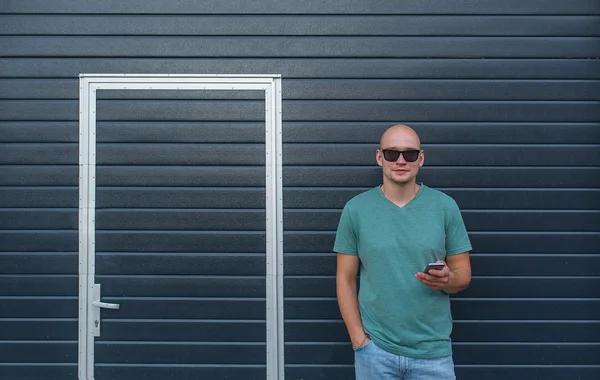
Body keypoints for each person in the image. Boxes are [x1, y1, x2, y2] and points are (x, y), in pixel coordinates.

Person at [334, 124, 472, 379]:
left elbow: (463, 274)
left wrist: (447, 280)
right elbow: (344, 278)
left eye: (409, 154)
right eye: (391, 154)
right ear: (379, 157)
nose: (400, 161)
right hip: (375, 352)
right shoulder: (356, 209)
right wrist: (359, 340)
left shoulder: (445, 207)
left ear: (421, 158)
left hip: (433, 353)